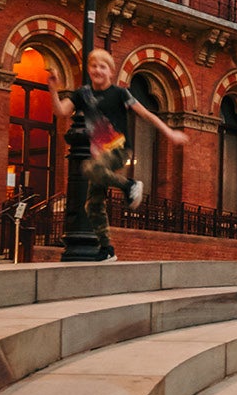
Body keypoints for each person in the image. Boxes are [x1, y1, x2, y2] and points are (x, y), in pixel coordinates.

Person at [56, 46, 186, 261]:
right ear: (89, 70)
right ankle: (107, 250)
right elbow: (61, 111)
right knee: (93, 204)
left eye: (103, 67)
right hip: (99, 155)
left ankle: (129, 185)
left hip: (118, 150)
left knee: (89, 168)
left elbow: (146, 114)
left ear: (110, 71)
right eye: (94, 66)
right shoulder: (82, 94)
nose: (98, 70)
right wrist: (53, 89)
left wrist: (170, 133)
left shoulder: (120, 93)